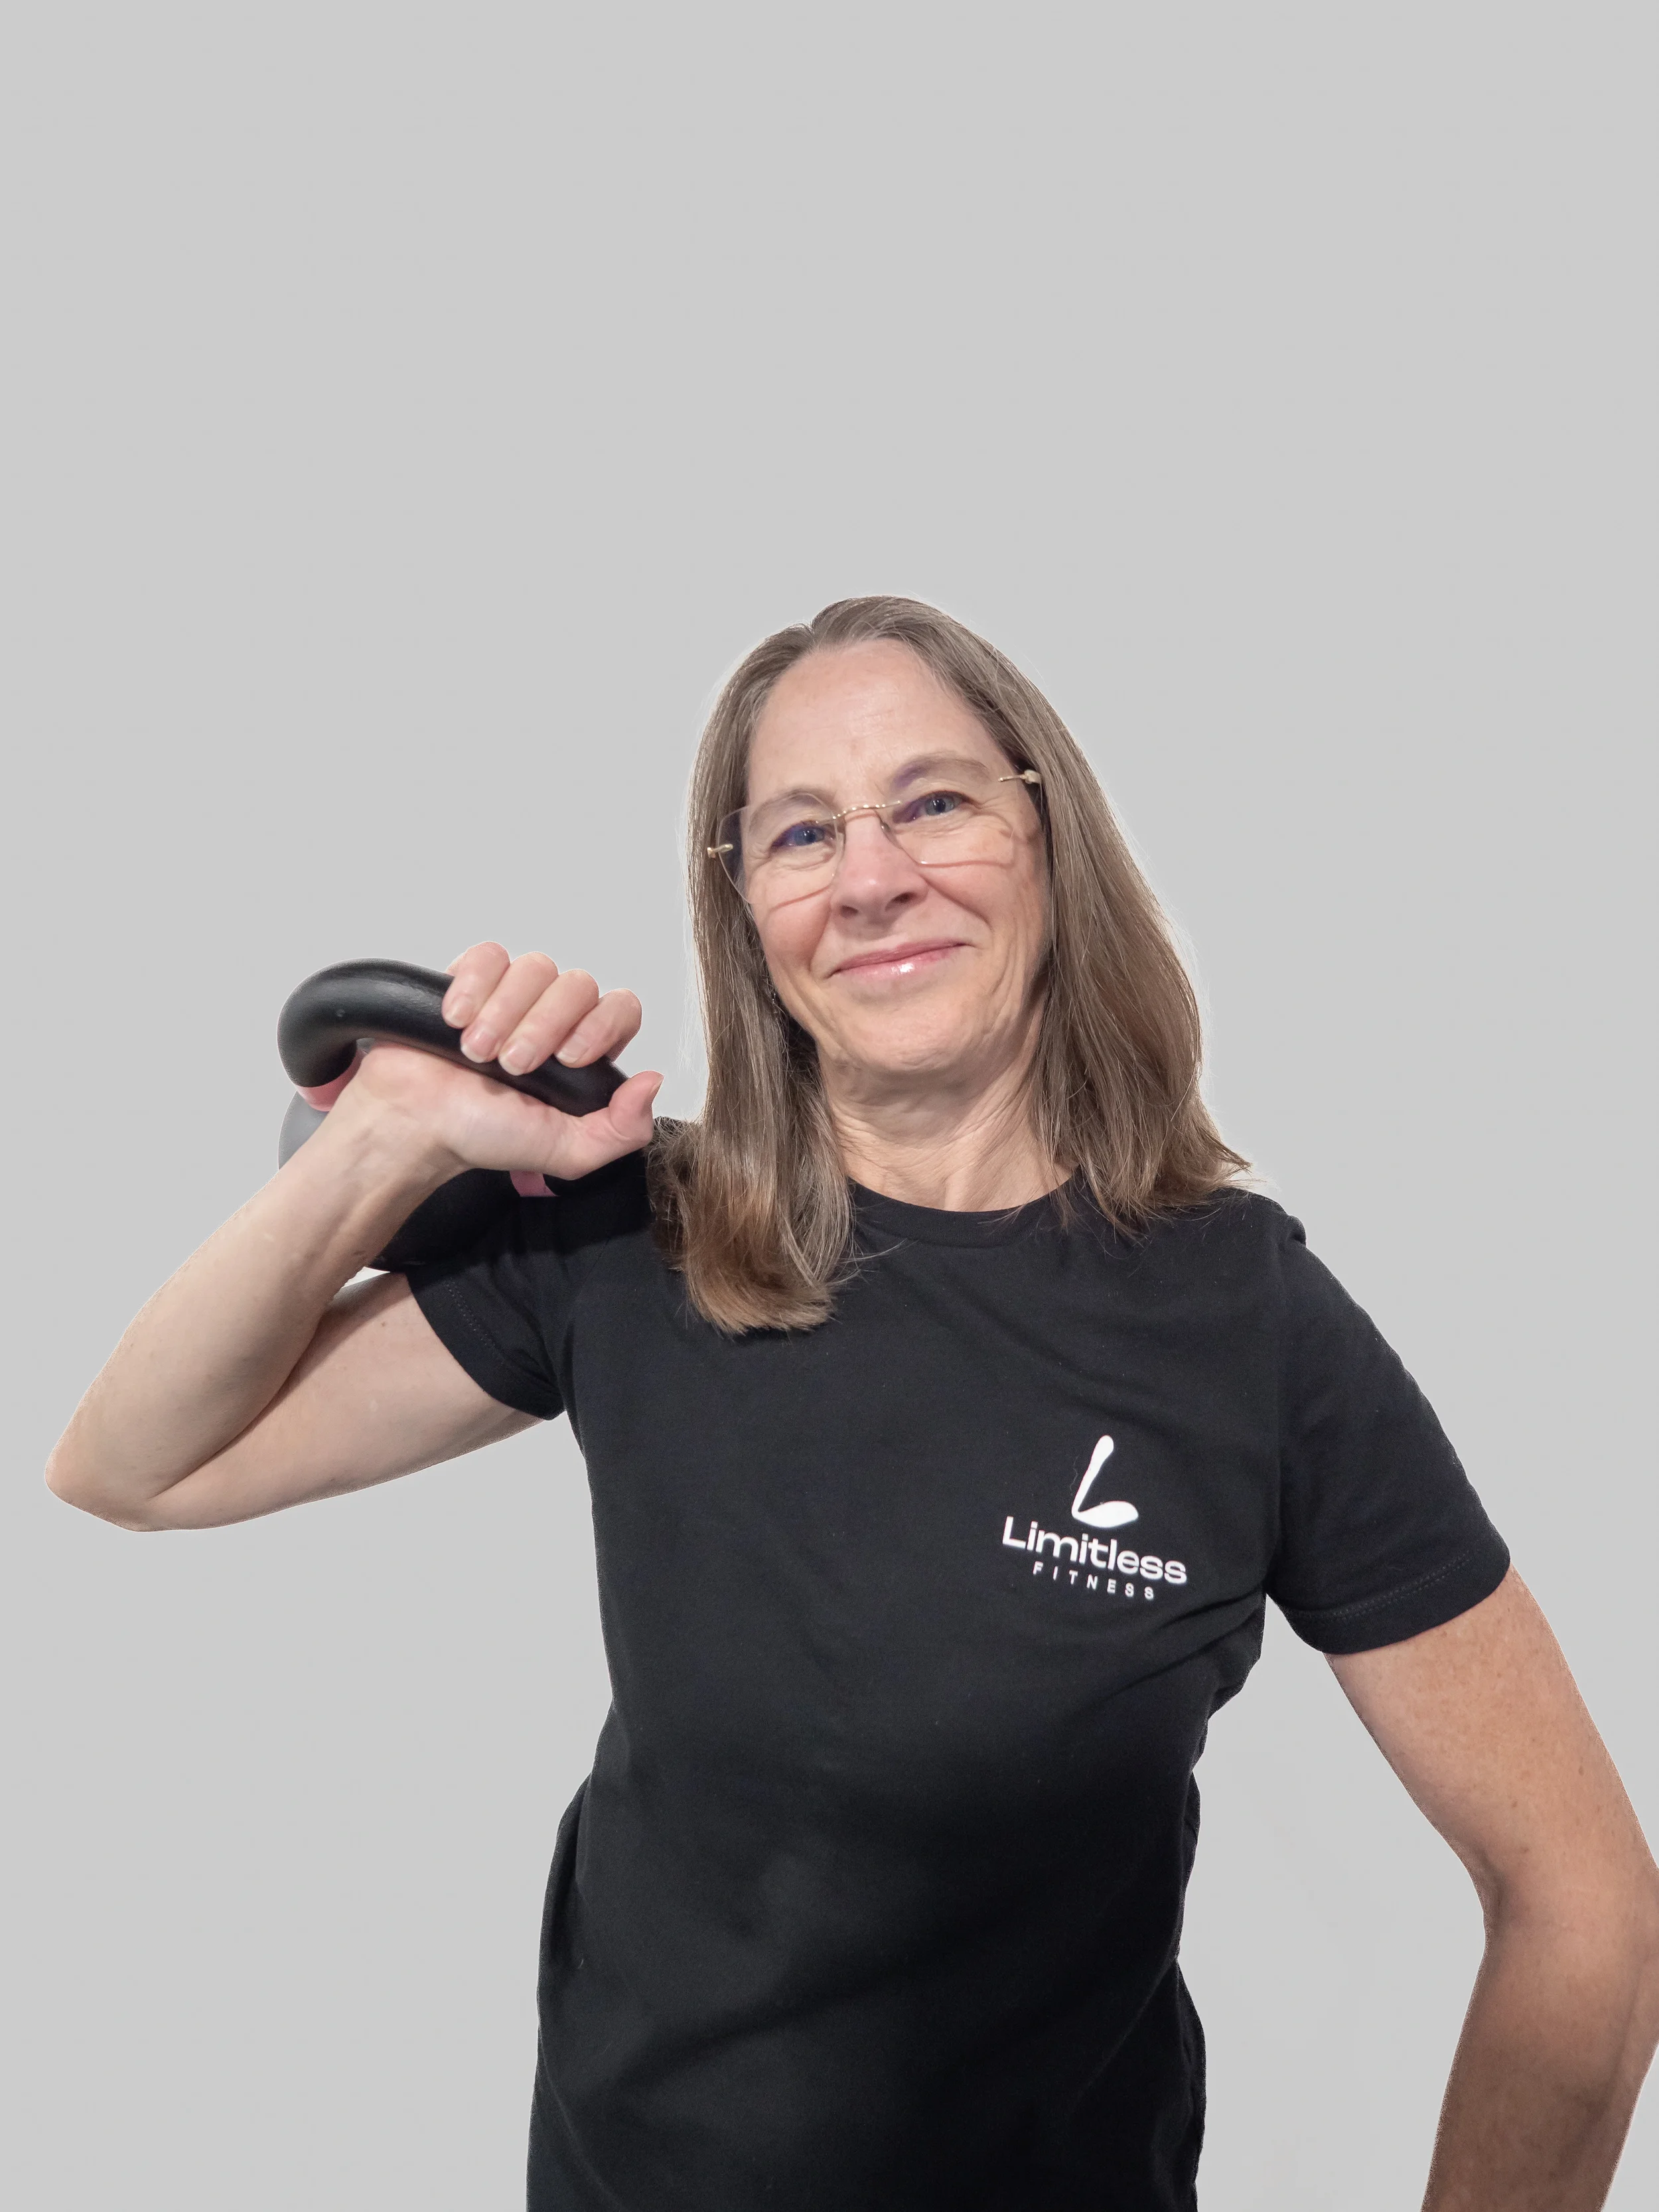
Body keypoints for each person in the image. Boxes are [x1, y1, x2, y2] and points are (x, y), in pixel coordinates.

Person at [48, 597, 1659, 2210]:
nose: (873, 875)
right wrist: (389, 1136)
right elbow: (137, 1461)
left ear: (1047, 833)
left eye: (935, 801)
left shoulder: (1243, 1320)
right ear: (745, 908)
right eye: (800, 832)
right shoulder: (634, 1233)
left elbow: (1584, 1900)